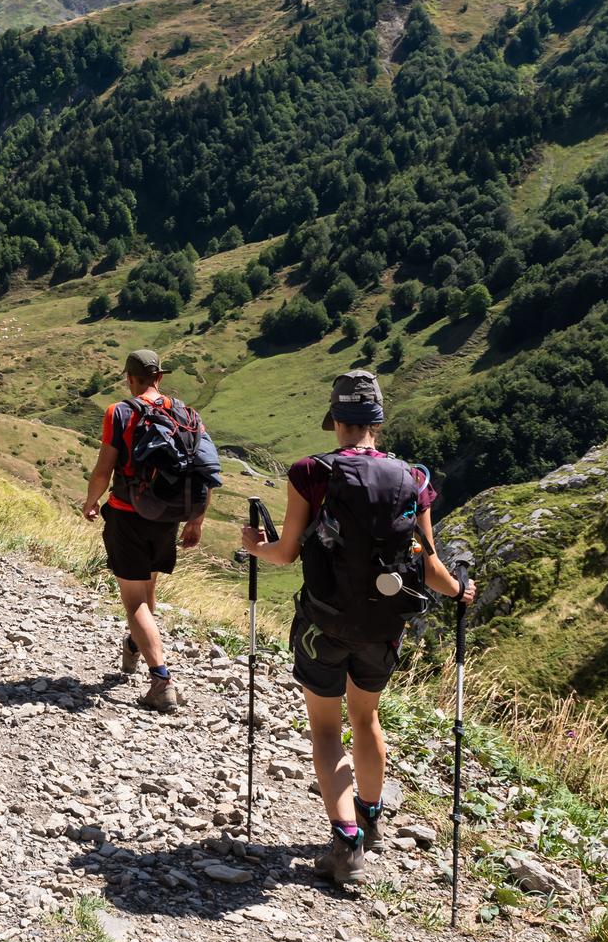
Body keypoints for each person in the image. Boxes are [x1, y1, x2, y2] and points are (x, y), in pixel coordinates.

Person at [240, 370, 476, 890]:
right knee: (365, 719)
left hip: (322, 621)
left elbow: (284, 553)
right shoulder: (414, 479)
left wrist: (254, 544)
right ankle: (369, 818)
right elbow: (430, 568)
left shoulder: (311, 472)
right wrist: (461, 592)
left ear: (336, 421)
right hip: (383, 627)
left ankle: (345, 842)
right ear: (378, 423)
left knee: (326, 729)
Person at [81, 350, 210, 714]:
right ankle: (135, 644)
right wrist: (196, 519)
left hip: (128, 514)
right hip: (167, 517)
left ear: (130, 378)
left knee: (134, 599)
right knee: (148, 587)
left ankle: (161, 680)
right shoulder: (186, 413)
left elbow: (104, 468)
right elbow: (205, 469)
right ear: (160, 377)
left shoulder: (120, 412)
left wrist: (91, 501)